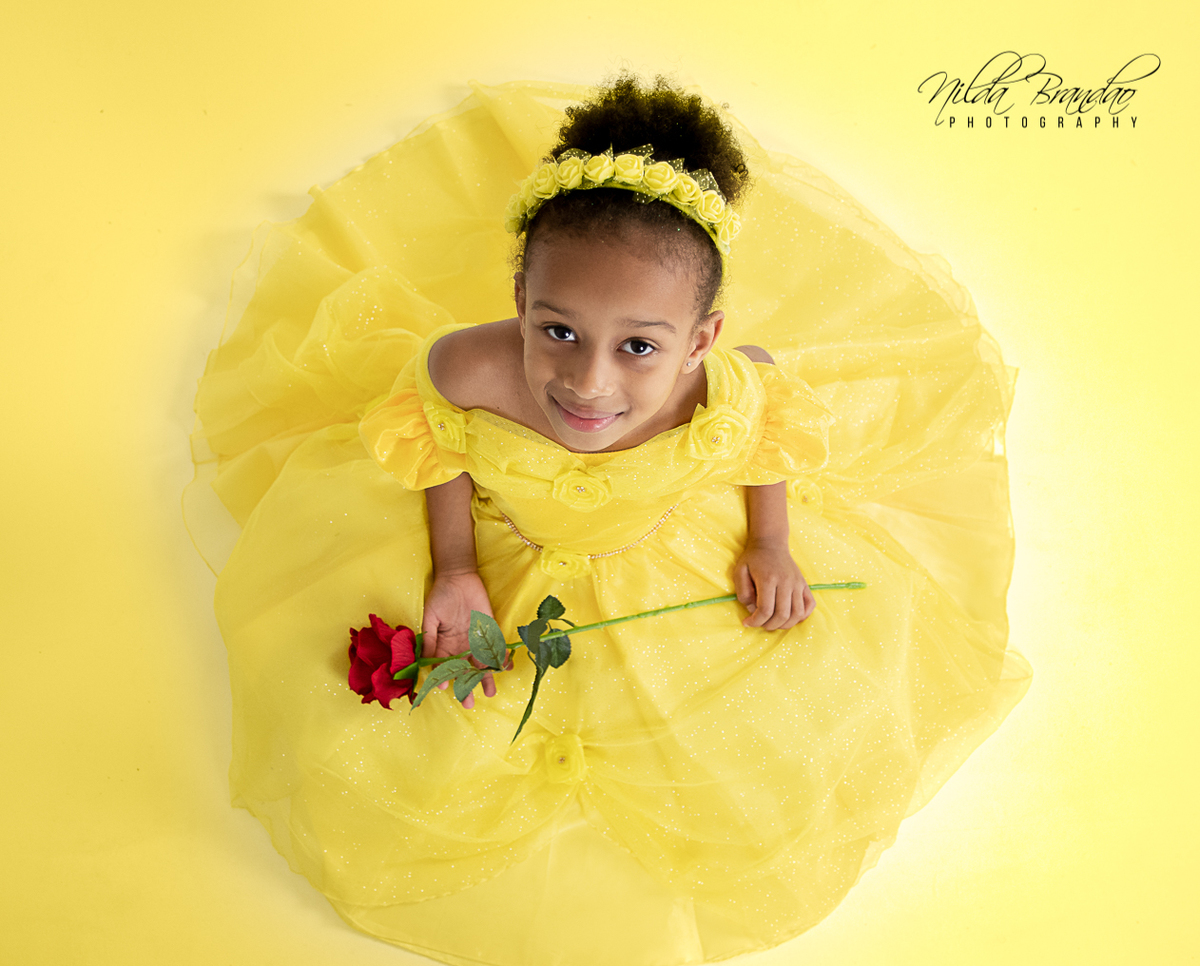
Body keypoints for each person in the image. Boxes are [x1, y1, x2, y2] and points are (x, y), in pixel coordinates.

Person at [188, 74, 1031, 966]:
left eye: (639, 347)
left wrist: (771, 540)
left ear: (698, 343)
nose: (589, 383)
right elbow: (442, 453)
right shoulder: (464, 371)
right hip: (506, 535)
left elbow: (762, 443)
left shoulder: (722, 389)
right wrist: (456, 567)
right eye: (559, 331)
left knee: (777, 742)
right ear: (521, 299)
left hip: (662, 550)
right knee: (382, 742)